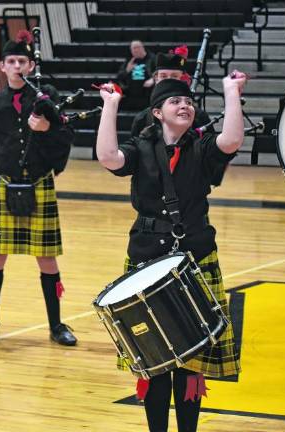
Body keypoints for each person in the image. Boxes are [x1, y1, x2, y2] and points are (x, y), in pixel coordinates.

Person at [95, 73, 247, 432]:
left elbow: (233, 139)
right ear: (158, 113)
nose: (185, 106)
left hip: (195, 258)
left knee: (192, 363)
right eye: (176, 102)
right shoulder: (141, 146)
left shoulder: (202, 146)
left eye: (189, 102)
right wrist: (110, 106)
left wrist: (231, 92)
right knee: (156, 359)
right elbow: (108, 157)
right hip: (148, 258)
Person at [0, 30, 77, 347]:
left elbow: (67, 137)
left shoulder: (45, 99)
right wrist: (3, 154)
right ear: (2, 66)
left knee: (47, 259)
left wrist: (47, 129)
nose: (17, 66)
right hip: (4, 183)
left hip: (39, 182)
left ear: (30, 66)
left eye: (22, 61)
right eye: (11, 61)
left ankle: (56, 326)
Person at [130, 46, 212, 138]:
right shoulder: (142, 119)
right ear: (156, 79)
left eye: (174, 76)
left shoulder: (199, 118)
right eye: (163, 76)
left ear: (182, 79)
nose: (168, 82)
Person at [116, 40, 155, 106]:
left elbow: (160, 72)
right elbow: (119, 76)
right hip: (131, 91)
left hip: (147, 92)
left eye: (137, 48)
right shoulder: (129, 60)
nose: (135, 50)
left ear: (143, 48)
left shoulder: (153, 59)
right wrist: (127, 70)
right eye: (133, 49)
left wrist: (153, 79)